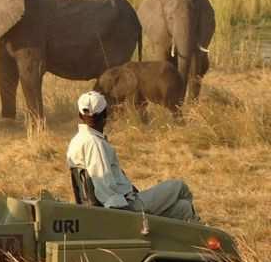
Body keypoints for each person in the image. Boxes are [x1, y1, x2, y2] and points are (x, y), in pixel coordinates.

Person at [66, 91, 200, 221]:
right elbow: (104, 186)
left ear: (80, 115)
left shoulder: (77, 140)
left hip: (124, 202)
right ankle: (200, 234)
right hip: (126, 208)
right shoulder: (94, 143)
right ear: (105, 114)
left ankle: (189, 230)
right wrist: (126, 213)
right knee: (180, 187)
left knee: (184, 208)